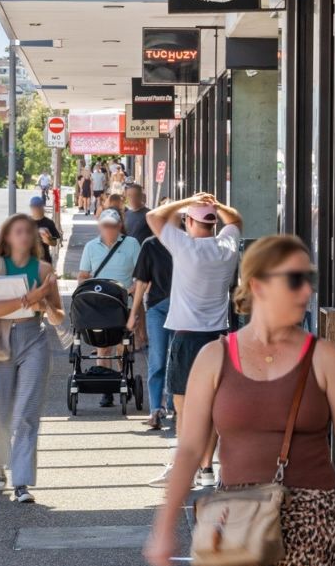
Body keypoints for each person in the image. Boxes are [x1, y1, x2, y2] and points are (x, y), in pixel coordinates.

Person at [145, 234, 335, 566]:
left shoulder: (325, 358)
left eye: (308, 278)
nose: (306, 289)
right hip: (236, 510)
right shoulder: (215, 357)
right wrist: (164, 528)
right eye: (293, 279)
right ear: (258, 285)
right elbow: (191, 448)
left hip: (314, 515)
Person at [145, 192, 243, 488]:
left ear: (188, 221)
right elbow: (235, 219)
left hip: (187, 338)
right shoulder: (227, 247)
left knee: (184, 407)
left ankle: (184, 469)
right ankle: (206, 468)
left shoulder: (184, 246)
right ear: (214, 223)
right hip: (218, 339)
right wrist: (217, 205)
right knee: (211, 408)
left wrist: (189, 199)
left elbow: (154, 217)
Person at [0, 213, 65, 503]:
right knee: (0, 410)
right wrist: (26, 299)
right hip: (1, 339)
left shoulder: (43, 269)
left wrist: (43, 301)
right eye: (18, 232)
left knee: (27, 414)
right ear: (7, 236)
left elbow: (58, 315)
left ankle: (22, 482)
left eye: (29, 232)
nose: (25, 236)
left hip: (34, 339)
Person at [78, 207, 142, 406]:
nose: (109, 230)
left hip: (123, 304)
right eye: (105, 226)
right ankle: (106, 389)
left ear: (119, 226)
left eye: (112, 226)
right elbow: (83, 275)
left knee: (122, 347)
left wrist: (132, 289)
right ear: (100, 226)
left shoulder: (131, 244)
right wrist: (83, 288)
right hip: (99, 305)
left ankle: (121, 379)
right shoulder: (91, 246)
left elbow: (141, 274)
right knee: (103, 347)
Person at [130, 208, 175, 430]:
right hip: (157, 307)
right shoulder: (150, 245)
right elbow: (141, 282)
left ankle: (177, 406)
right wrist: (133, 314)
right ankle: (156, 408)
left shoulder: (188, 243)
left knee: (177, 359)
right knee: (157, 359)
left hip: (184, 309)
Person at [28, 195, 62, 266]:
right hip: (29, 260)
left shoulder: (49, 223)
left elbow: (55, 241)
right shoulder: (27, 222)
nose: (36, 209)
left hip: (44, 260)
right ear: (31, 208)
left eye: (38, 206)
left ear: (42, 207)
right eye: (34, 207)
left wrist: (49, 240)